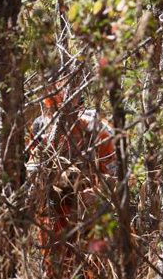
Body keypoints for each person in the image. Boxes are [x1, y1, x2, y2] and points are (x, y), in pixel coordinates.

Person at [28, 83, 117, 278]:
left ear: (79, 107)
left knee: (92, 269)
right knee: (55, 269)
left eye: (65, 113)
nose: (59, 121)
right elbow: (31, 169)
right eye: (53, 111)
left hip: (90, 215)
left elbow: (118, 177)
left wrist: (98, 193)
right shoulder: (40, 128)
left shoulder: (98, 131)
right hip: (54, 213)